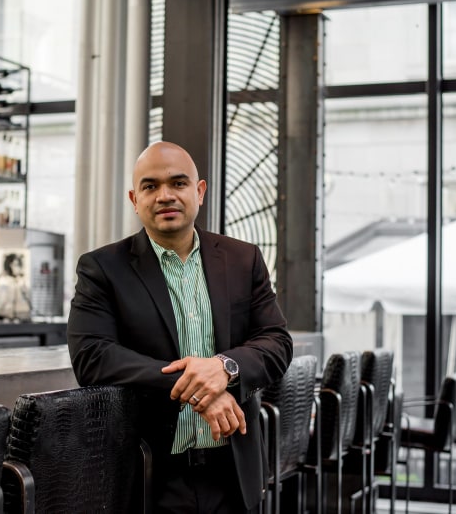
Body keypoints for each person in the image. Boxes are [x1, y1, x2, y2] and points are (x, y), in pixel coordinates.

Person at [67, 141, 293, 513]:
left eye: (178, 183)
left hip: (234, 468)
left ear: (199, 192)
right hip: (150, 474)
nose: (165, 196)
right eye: (150, 186)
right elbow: (92, 356)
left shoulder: (243, 259)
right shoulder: (102, 268)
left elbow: (276, 341)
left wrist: (225, 367)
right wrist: (196, 386)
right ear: (134, 198)